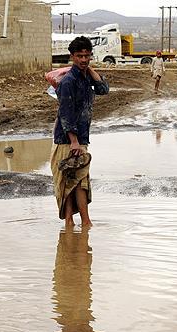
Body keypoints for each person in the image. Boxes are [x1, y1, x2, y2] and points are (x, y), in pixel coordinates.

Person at [50, 36, 109, 228]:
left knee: (77, 181)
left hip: (80, 138)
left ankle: (76, 223)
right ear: (72, 56)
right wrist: (74, 141)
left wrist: (89, 69)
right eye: (79, 56)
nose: (83, 60)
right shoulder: (69, 81)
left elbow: (103, 89)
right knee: (72, 181)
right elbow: (66, 113)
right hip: (67, 140)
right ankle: (82, 221)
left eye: (87, 56)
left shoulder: (85, 78)